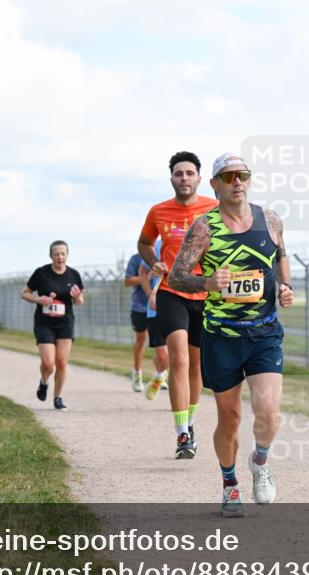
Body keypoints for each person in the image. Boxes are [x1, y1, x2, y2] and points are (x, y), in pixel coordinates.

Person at [168, 153, 293, 517]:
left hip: (264, 333)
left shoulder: (270, 219)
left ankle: (260, 461)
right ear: (215, 185)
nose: (237, 181)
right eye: (229, 176)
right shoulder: (204, 228)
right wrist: (207, 282)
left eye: (243, 175)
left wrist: (285, 287)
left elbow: (282, 255)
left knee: (268, 414)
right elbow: (176, 277)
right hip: (221, 336)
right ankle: (229, 484)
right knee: (232, 417)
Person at [137, 151, 218, 459]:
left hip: (206, 294)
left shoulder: (214, 208)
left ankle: (191, 422)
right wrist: (154, 261)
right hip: (173, 291)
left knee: (197, 366)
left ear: (199, 178)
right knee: (179, 359)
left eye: (189, 173)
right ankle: (182, 434)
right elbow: (144, 243)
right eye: (178, 173)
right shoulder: (158, 211)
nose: (184, 178)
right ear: (171, 178)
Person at [20, 240, 85, 411]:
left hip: (65, 322)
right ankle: (44, 381)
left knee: (62, 362)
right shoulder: (41, 273)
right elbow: (24, 293)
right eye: (56, 254)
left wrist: (77, 298)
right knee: (48, 363)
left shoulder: (74, 275)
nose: (60, 257)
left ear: (67, 255)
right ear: (51, 256)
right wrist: (37, 299)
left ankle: (58, 397)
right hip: (44, 323)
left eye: (63, 253)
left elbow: (80, 301)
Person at [140, 239, 169, 400]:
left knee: (179, 355)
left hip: (181, 304)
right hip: (156, 307)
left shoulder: (195, 239)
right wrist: (150, 293)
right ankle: (159, 375)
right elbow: (143, 271)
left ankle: (181, 404)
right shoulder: (158, 245)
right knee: (163, 354)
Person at [124, 252, 149, 391]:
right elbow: (127, 281)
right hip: (140, 306)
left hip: (160, 306)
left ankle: (161, 375)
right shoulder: (136, 258)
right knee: (141, 340)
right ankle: (137, 373)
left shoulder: (163, 252)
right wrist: (144, 278)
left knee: (163, 345)